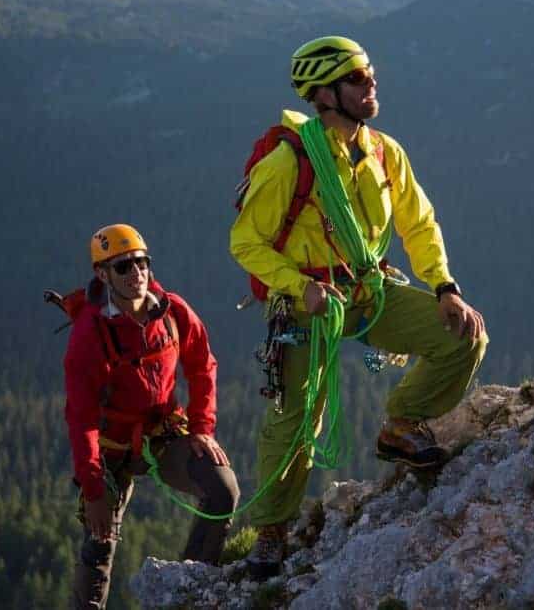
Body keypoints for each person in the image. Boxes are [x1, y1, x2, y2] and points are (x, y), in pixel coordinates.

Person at [229, 36, 488, 579]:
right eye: (356, 79)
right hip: (308, 304)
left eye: (370, 74)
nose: (371, 85)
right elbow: (246, 242)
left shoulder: (384, 152)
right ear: (323, 94)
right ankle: (271, 532)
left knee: (463, 335)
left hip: (366, 289)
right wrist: (299, 287)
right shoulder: (289, 161)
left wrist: (444, 287)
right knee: (299, 417)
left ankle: (401, 423)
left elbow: (418, 222)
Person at [64, 223, 239, 608]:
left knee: (222, 489)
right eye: (123, 266)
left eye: (141, 262)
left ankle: (190, 591)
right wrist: (93, 490)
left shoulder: (172, 311)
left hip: (162, 433)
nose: (136, 273)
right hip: (110, 448)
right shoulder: (90, 334)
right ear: (102, 275)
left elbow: (202, 365)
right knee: (99, 544)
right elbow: (82, 417)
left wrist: (202, 429)